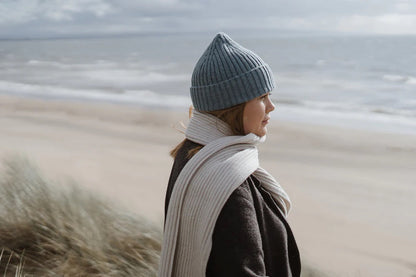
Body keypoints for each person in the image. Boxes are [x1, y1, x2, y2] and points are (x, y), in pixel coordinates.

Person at [159, 32, 301, 277]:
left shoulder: (191, 155)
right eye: (261, 97)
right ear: (232, 105)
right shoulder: (228, 180)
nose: (271, 106)